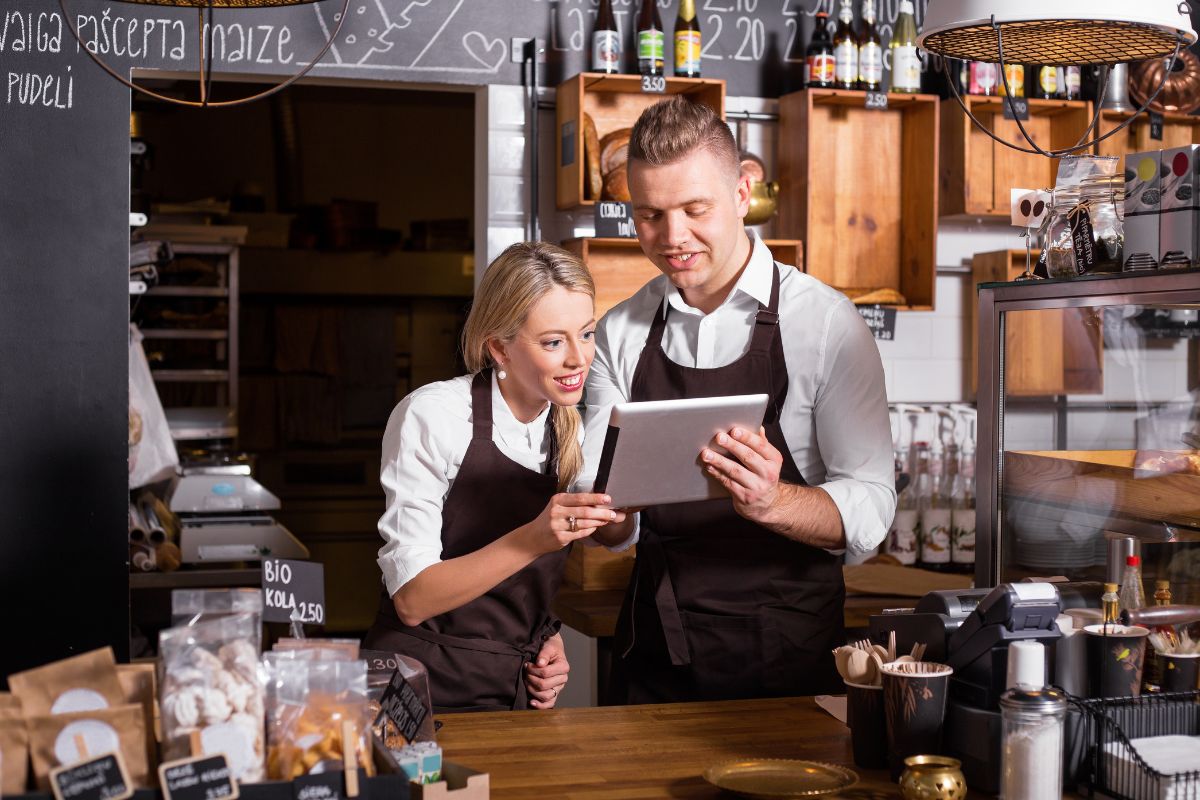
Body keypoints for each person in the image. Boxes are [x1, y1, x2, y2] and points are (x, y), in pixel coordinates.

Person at [585, 96, 896, 703]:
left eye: (694, 209)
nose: (673, 238)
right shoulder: (619, 331)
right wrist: (604, 514)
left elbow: (872, 510)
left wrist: (773, 500)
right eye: (649, 215)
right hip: (656, 655)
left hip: (787, 661)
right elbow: (614, 526)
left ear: (742, 192)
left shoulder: (828, 325)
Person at [363, 242, 626, 712]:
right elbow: (412, 599)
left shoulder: (564, 423)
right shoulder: (434, 414)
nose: (578, 358)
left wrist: (546, 638)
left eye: (586, 334)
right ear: (499, 348)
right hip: (416, 688)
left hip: (511, 687)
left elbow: (519, 588)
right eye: (553, 342)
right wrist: (531, 539)